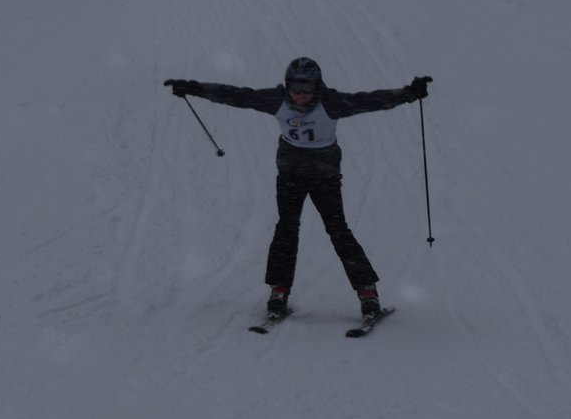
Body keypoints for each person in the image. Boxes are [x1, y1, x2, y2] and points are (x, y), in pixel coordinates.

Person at [163, 57, 431, 318]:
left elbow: (370, 100)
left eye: (307, 88)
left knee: (338, 230)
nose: (301, 94)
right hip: (291, 175)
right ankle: (279, 290)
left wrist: (408, 94)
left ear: (318, 86)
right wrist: (193, 88)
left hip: (324, 177)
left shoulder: (331, 103)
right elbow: (237, 95)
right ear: (287, 85)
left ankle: (367, 292)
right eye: (296, 87)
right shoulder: (276, 100)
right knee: (286, 229)